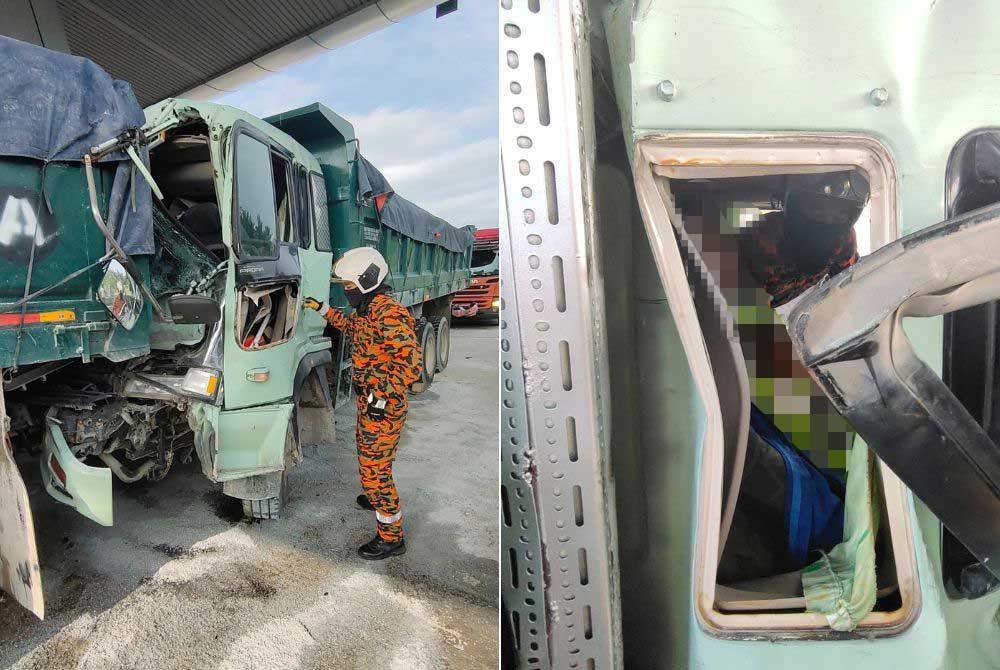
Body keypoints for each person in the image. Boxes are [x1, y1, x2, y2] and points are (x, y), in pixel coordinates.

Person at [303, 247, 421, 560]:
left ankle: (391, 536)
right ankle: (376, 493)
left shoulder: (390, 313)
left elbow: (412, 367)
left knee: (375, 470)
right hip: (370, 401)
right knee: (371, 456)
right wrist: (323, 310)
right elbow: (354, 329)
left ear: (368, 281)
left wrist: (381, 395)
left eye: (349, 287)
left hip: (382, 405)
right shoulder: (368, 311)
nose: (347, 292)